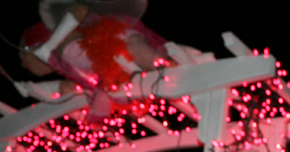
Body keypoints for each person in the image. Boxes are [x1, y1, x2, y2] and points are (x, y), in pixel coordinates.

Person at [18, 0, 175, 118]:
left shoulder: (66, 41)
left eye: (24, 55)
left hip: (112, 42)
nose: (23, 64)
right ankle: (164, 69)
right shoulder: (65, 63)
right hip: (117, 77)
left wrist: (50, 45)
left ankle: (170, 67)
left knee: (135, 48)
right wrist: (31, 89)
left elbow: (78, 10)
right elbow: (67, 87)